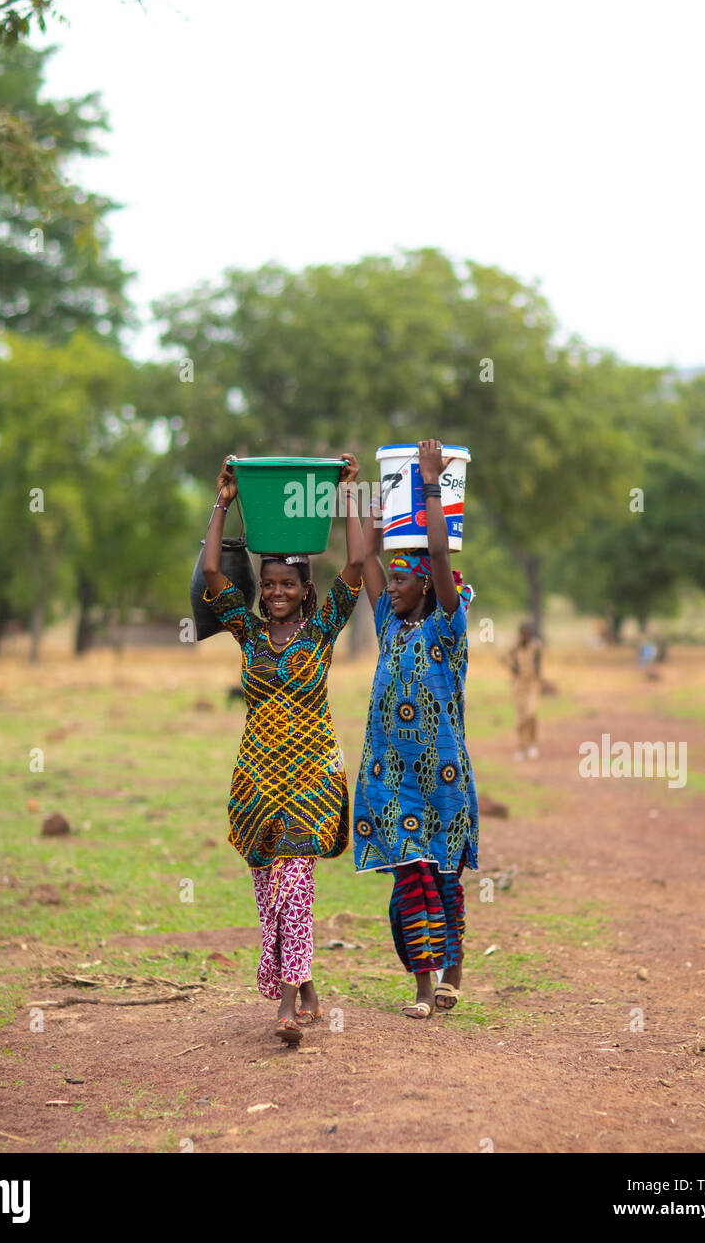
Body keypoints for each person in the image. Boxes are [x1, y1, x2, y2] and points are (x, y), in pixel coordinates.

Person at [201, 451, 364, 1044]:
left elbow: (358, 562)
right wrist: (224, 499)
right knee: (271, 888)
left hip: (313, 778)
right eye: (267, 585)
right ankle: (308, 984)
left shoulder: (322, 631)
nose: (274, 593)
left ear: (304, 589)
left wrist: (348, 493)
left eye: (286, 585)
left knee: (296, 883)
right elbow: (215, 578)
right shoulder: (244, 632)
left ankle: (287, 1007)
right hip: (256, 781)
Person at [354, 438, 478, 1020]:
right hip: (391, 779)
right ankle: (424, 989)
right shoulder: (388, 627)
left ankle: (452, 974)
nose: (394, 586)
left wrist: (430, 485)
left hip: (443, 780)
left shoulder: (447, 629)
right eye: (395, 581)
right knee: (412, 879)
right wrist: (358, 504)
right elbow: (366, 564)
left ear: (428, 585)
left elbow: (436, 555)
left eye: (406, 580)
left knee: (445, 879)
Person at [507, 622, 542, 761]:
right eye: (524, 634)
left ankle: (532, 743)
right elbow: (505, 659)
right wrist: (512, 667)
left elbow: (539, 663)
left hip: (532, 685)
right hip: (519, 686)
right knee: (521, 718)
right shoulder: (514, 648)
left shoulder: (536, 647)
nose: (527, 636)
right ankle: (521, 747)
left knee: (531, 714)